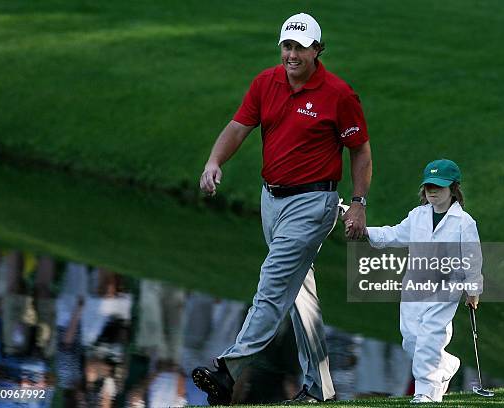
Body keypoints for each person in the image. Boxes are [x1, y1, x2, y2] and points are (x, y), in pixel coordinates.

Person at [194, 12, 372, 405]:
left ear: (317, 50)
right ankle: (319, 387)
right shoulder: (265, 82)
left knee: (272, 285)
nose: (292, 55)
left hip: (314, 202)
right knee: (298, 294)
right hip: (271, 200)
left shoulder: (338, 94)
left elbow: (360, 150)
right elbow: (239, 126)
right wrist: (214, 161)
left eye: (300, 48)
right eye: (287, 47)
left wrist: (358, 203)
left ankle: (229, 371)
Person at [351, 159, 483, 404]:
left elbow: (473, 259)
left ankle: (426, 394)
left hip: (446, 289)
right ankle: (446, 364)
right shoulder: (417, 215)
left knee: (429, 339)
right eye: (429, 186)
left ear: (453, 189)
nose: (432, 191)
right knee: (411, 340)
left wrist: (473, 290)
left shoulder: (464, 223)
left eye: (439, 187)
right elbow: (394, 234)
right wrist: (366, 231)